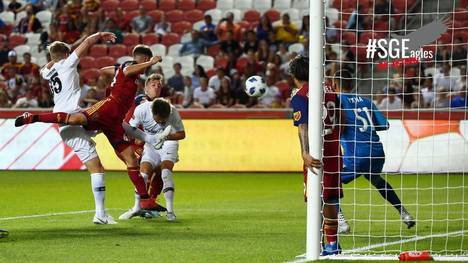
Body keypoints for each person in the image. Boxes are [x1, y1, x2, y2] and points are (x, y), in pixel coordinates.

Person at [15, 43, 164, 212]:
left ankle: (144, 201)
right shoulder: (130, 65)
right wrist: (150, 63)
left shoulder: (130, 71)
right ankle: (33, 118)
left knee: (131, 159)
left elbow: (104, 69)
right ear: (143, 58)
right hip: (108, 106)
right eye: (146, 61)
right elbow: (124, 70)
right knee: (76, 119)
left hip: (115, 118)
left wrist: (116, 72)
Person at [15, 33, 119, 224]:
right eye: (68, 51)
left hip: (76, 117)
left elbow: (42, 70)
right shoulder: (67, 63)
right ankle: (100, 214)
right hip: (70, 120)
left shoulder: (50, 71)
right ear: (64, 53)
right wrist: (100, 35)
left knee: (104, 122)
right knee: (97, 168)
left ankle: (101, 212)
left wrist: (52, 59)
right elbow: (87, 42)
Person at [333, 69, 415, 232]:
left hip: (357, 155)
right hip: (377, 153)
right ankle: (404, 213)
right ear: (353, 83)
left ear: (335, 84)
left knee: (326, 184)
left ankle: (341, 223)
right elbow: (384, 125)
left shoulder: (336, 100)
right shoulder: (366, 101)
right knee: (377, 181)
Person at [289, 56, 341, 255]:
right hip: (334, 148)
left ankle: (326, 245)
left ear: (295, 76)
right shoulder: (329, 89)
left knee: (317, 197)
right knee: (331, 195)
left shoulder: (300, 95)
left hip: (318, 151)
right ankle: (331, 243)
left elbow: (303, 126)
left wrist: (304, 151)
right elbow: (341, 117)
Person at [122, 98, 185, 221]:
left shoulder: (172, 111)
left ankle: (170, 213)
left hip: (168, 143)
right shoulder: (142, 110)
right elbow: (130, 129)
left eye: (165, 120)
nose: (162, 122)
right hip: (150, 144)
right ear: (153, 113)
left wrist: (165, 137)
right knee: (143, 175)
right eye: (160, 119)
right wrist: (141, 137)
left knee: (166, 173)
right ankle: (136, 208)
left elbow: (182, 134)